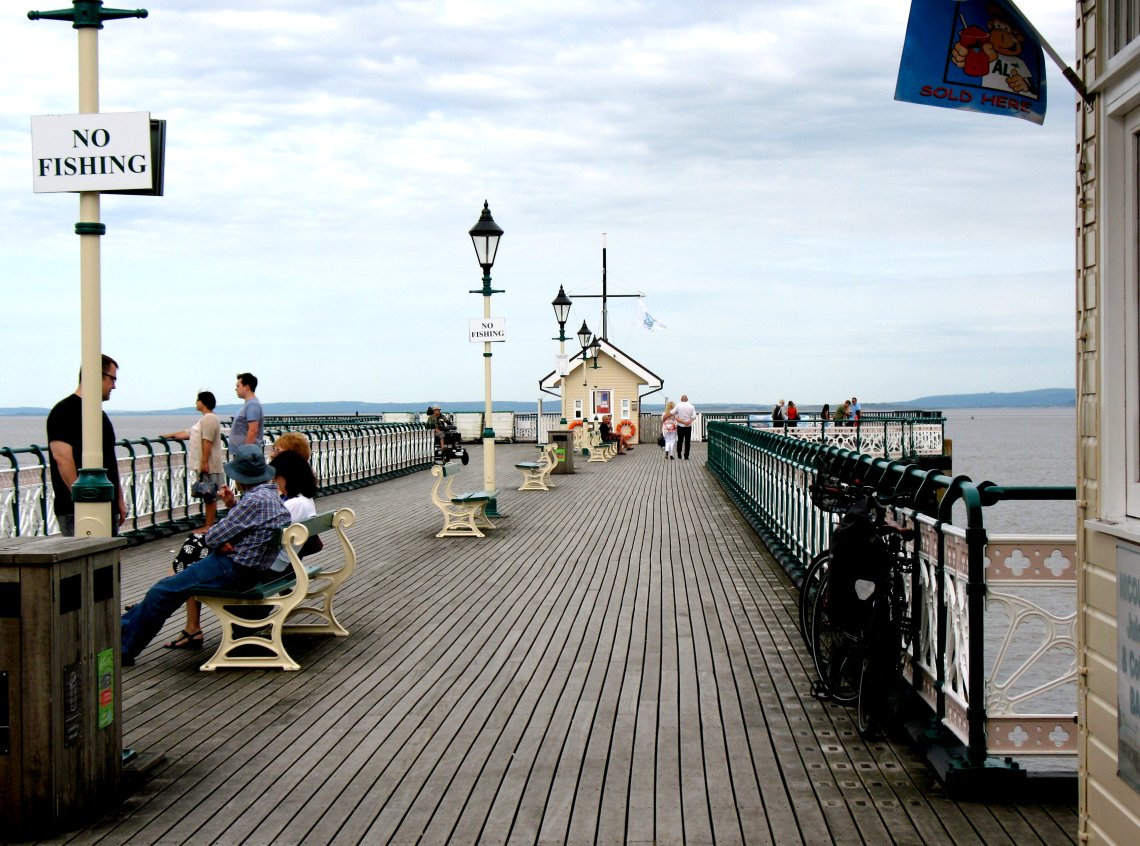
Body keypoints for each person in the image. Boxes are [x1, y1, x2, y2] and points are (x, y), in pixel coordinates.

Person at [120, 444, 290, 665]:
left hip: (233, 569)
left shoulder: (253, 501)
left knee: (162, 591)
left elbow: (212, 536)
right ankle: (123, 630)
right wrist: (229, 516)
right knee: (167, 589)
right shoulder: (271, 496)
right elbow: (239, 530)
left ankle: (124, 646)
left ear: (241, 478)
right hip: (254, 569)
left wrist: (221, 540)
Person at [47, 353, 127, 535]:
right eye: (112, 379)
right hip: (75, 510)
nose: (114, 386)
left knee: (108, 561)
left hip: (107, 505)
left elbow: (109, 460)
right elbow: (62, 458)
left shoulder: (100, 416)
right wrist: (83, 501)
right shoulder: (64, 412)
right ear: (95, 375)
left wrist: (119, 500)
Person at [162, 391, 225, 528]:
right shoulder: (205, 418)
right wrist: (170, 435)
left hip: (210, 464)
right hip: (207, 462)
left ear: (203, 402)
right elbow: (189, 433)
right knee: (209, 495)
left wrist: (204, 462)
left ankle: (209, 525)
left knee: (210, 495)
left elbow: (207, 441)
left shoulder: (209, 418)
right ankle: (209, 524)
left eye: (198, 400)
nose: (196, 402)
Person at [266, 450, 319, 574]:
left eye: (277, 478)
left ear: (287, 477)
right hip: (288, 561)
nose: (276, 483)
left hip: (276, 565)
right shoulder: (305, 499)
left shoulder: (294, 504)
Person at [229, 372, 263, 455]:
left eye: (238, 386)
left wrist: (245, 453)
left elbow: (253, 430)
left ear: (247, 387)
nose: (236, 389)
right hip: (241, 453)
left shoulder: (252, 405)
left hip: (246, 456)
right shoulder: (248, 405)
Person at [673, 394, 697, 460]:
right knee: (687, 441)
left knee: (680, 440)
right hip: (688, 426)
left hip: (680, 426)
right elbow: (694, 416)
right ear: (687, 399)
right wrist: (689, 421)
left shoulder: (678, 406)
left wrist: (683, 422)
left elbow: (676, 417)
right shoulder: (691, 406)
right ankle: (686, 456)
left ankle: (679, 454)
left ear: (681, 399)